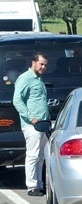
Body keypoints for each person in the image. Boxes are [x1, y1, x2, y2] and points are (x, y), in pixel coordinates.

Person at [12, 53, 50, 196]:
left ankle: (39, 184)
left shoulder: (39, 79)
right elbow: (17, 100)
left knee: (41, 156)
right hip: (32, 124)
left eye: (45, 64)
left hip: (43, 124)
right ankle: (32, 186)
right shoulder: (25, 78)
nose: (43, 67)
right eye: (41, 64)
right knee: (33, 155)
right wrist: (31, 117)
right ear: (33, 63)